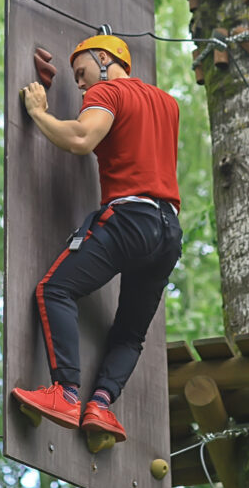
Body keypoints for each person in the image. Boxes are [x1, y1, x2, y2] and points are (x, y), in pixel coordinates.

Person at [12, 34, 183, 443]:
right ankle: (101, 406)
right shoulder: (167, 103)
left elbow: (81, 138)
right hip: (169, 231)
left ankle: (66, 393)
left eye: (82, 72)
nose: (81, 84)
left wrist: (38, 113)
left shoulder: (108, 90)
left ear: (104, 58)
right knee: (130, 333)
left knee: (54, 289)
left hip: (131, 218)